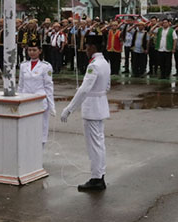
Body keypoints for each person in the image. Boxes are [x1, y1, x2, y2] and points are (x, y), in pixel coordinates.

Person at [61, 36, 111, 192]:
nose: (86, 50)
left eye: (87, 47)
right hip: (101, 105)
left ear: (93, 48)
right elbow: (107, 86)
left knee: (94, 145)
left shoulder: (94, 66)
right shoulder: (105, 63)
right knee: (99, 144)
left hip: (92, 108)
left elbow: (84, 90)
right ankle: (99, 175)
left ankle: (96, 178)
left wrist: (69, 108)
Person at [18, 41, 55, 146]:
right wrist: (18, 101)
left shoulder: (45, 66)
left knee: (41, 128)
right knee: (26, 127)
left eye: (34, 50)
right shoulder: (23, 65)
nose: (32, 52)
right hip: (26, 99)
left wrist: (52, 105)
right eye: (29, 50)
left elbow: (48, 86)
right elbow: (21, 85)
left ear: (40, 51)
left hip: (40, 100)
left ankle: (39, 153)